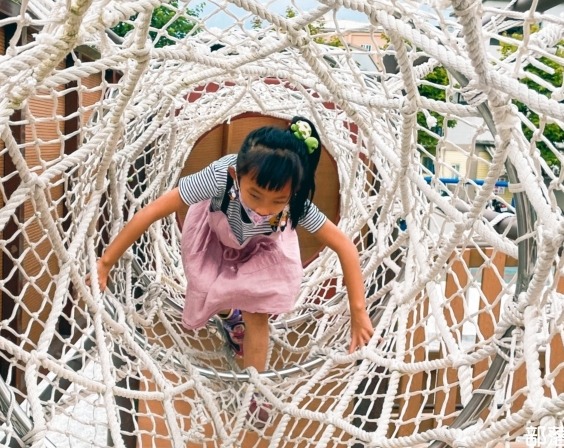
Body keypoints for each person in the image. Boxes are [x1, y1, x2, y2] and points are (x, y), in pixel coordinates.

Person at [93, 117, 373, 426]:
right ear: (239, 176)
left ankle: (254, 388)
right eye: (255, 195)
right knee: (212, 286)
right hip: (216, 238)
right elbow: (154, 211)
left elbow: (344, 245)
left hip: (262, 251)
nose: (265, 208)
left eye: (277, 201)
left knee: (258, 314)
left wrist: (358, 311)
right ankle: (229, 316)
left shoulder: (295, 201)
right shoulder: (220, 176)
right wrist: (106, 262)